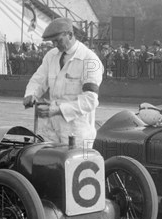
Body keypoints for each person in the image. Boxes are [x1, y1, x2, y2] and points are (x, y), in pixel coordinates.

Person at [23, 18, 103, 146]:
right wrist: (31, 94)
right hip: (52, 128)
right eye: (52, 41)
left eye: (58, 40)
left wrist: (58, 110)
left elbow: (90, 101)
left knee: (73, 164)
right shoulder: (51, 56)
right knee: (47, 162)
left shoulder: (90, 60)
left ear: (70, 35)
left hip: (77, 131)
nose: (55, 44)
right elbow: (39, 79)